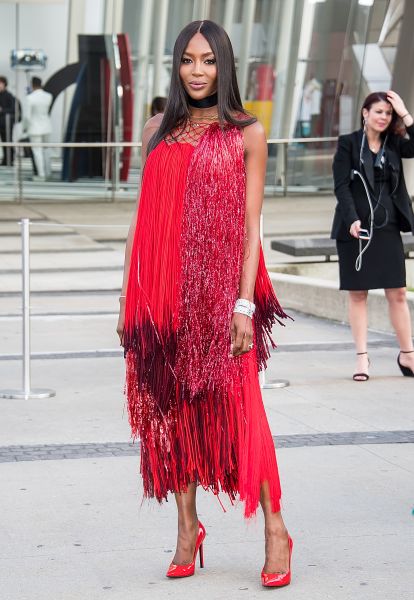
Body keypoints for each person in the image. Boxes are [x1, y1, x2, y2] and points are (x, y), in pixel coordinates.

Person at [117, 20, 293, 587]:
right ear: (176, 65)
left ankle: (274, 529)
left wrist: (245, 305)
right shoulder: (154, 131)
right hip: (162, 297)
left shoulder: (247, 132)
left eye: (208, 60)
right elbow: (140, 225)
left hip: (220, 300)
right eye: (188, 60)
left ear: (225, 65)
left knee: (245, 415)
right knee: (171, 417)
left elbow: (251, 228)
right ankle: (187, 529)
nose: (198, 71)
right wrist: (127, 297)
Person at [331, 90, 414, 381]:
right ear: (365, 113)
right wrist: (352, 219)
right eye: (379, 111)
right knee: (358, 294)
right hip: (356, 230)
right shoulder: (348, 144)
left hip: (388, 228)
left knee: (398, 293)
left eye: (388, 113)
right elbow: (341, 187)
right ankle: (362, 360)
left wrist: (404, 112)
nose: (384, 117)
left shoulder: (394, 144)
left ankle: (407, 355)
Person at [23, 77, 53, 180]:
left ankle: (41, 174)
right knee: (47, 150)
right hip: (46, 126)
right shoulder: (49, 96)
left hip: (34, 127)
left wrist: (24, 128)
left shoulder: (30, 98)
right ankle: (48, 172)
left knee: (37, 151)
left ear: (32, 85)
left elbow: (27, 116)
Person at [0, 76, 20, 166]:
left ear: (5, 84)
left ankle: (9, 160)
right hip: (2, 123)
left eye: (1, 83)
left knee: (7, 141)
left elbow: (13, 109)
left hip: (6, 123)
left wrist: (2, 110)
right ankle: (5, 160)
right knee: (4, 142)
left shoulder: (9, 96)